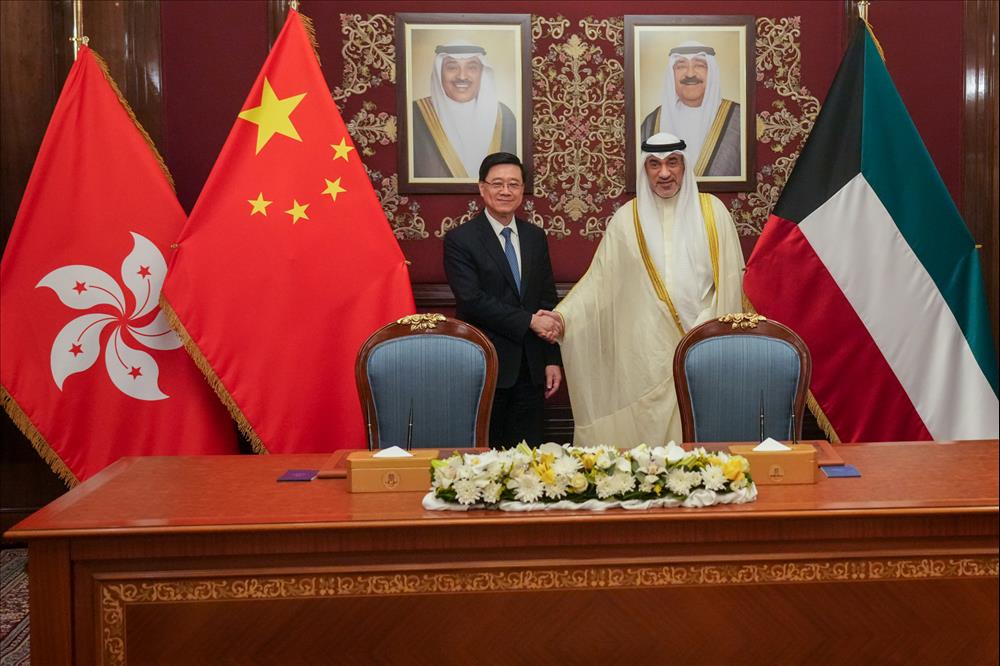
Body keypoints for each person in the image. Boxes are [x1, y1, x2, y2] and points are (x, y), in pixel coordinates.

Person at [541, 132, 744, 447]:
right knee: (647, 439)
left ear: (684, 166)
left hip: (701, 343)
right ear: (644, 170)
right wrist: (562, 317)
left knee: (697, 439)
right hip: (644, 352)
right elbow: (599, 281)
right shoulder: (627, 219)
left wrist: (708, 328)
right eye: (654, 164)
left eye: (672, 163)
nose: (664, 173)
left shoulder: (713, 212)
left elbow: (731, 280)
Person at [443, 152, 561, 447]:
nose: (505, 191)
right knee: (486, 455)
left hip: (532, 369)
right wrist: (529, 321)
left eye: (513, 184)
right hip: (487, 364)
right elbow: (471, 299)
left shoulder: (535, 237)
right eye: (497, 184)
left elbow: (547, 299)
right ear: (482, 188)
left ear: (522, 190)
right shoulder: (461, 239)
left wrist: (551, 360)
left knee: (530, 456)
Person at [412, 43, 518, 179]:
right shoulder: (415, 113)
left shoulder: (504, 115)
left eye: (472, 68)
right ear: (439, 73)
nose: (462, 76)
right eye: (452, 67)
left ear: (482, 73)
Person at [640, 41, 741, 177]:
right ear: (671, 74)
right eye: (681, 66)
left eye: (699, 65)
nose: (690, 74)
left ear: (712, 72)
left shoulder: (739, 119)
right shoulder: (652, 122)